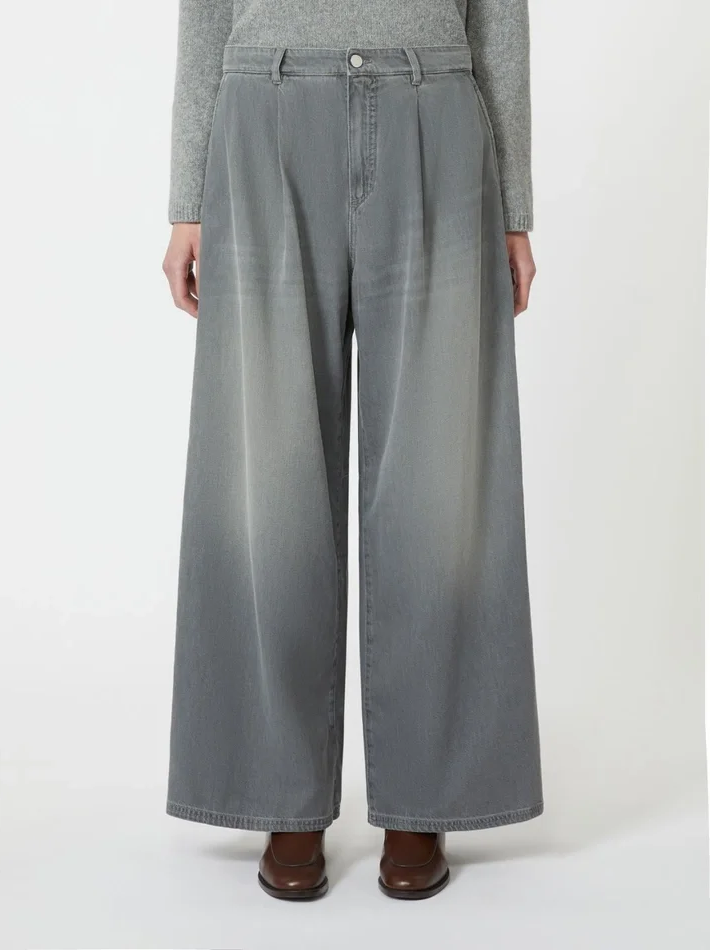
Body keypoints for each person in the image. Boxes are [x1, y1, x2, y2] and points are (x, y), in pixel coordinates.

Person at [162, 0, 543, 901]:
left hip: (434, 104)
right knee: (266, 471)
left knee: (441, 473)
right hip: (264, 107)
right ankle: (277, 792)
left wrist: (513, 204)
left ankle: (425, 796)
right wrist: (186, 198)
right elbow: (205, 10)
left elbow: (499, 15)